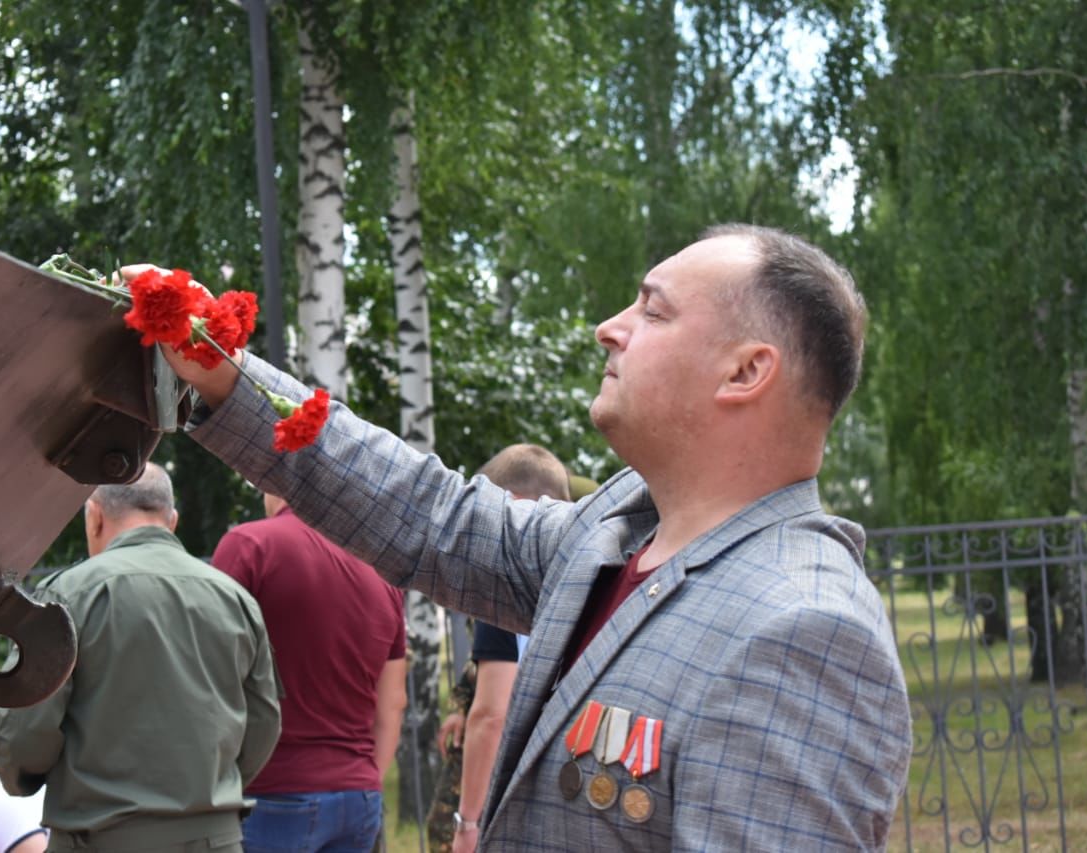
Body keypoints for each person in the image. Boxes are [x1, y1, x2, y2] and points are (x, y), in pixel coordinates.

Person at [136, 223, 912, 850]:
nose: (610, 328)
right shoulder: (616, 529)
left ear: (746, 372)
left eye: (654, 310)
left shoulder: (804, 630)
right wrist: (228, 376)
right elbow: (430, 514)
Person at [0, 464, 282, 853]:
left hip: (103, 835)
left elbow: (23, 729)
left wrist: (22, 777)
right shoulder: (235, 598)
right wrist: (210, 785)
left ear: (94, 516)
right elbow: (264, 720)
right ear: (172, 521)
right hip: (215, 838)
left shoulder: (68, 596)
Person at [210, 491, 408, 853]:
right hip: (358, 796)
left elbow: (209, 674)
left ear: (274, 482)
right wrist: (367, 779)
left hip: (272, 790)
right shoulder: (383, 572)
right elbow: (394, 702)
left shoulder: (250, 545)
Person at [426, 445, 571, 853]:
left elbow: (492, 715)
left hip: (513, 795)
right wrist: (461, 708)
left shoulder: (505, 586)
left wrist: (468, 823)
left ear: (513, 507)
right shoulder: (581, 579)